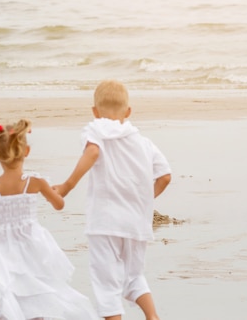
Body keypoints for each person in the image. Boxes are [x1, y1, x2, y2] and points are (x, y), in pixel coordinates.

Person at [0, 119, 98, 320]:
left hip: (4, 248)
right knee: (36, 284)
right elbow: (59, 204)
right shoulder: (35, 182)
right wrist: (54, 192)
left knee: (10, 287)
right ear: (26, 151)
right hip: (33, 244)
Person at [53, 80, 172, 320]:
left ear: (95, 112)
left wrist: (67, 186)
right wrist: (144, 202)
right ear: (128, 112)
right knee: (134, 277)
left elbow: (93, 152)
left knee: (106, 283)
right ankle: (152, 317)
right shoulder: (143, 142)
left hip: (104, 222)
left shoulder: (95, 130)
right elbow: (165, 177)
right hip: (136, 223)